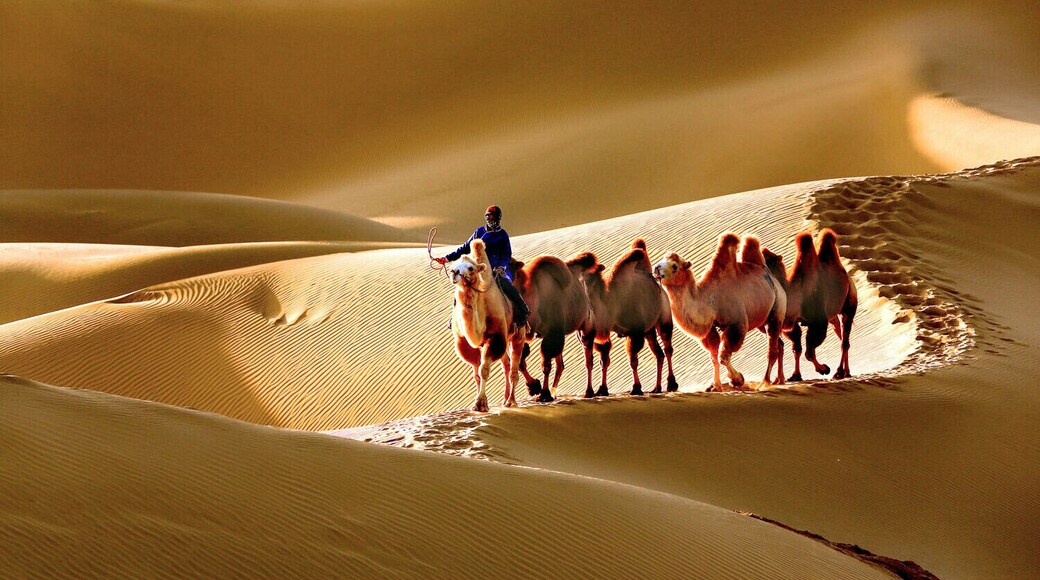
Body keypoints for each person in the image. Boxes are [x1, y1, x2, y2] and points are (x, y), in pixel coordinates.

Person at [435, 205, 530, 328]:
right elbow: (464, 248)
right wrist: (446, 258)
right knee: (461, 287)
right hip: (478, 268)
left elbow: (507, 254)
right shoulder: (479, 232)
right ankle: (454, 318)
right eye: (488, 216)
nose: (490, 218)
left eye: (492, 216)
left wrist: (501, 266)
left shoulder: (502, 235)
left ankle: (523, 311)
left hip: (496, 270)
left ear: (498, 217)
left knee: (506, 285)